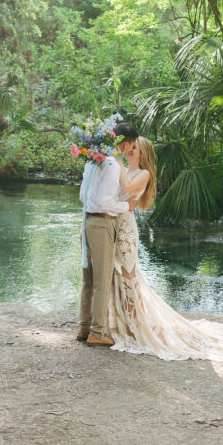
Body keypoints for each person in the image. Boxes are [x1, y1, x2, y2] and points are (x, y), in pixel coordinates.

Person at [109, 137, 223, 362]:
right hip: (115, 224)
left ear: (144, 155)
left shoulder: (143, 174)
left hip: (126, 228)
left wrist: (115, 162)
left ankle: (134, 327)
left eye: (135, 149)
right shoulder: (124, 169)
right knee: (119, 275)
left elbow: (126, 188)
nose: (130, 151)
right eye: (129, 147)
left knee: (129, 277)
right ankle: (123, 322)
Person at [78, 122, 138, 347]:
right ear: (121, 143)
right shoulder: (111, 164)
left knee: (88, 279)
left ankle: (84, 327)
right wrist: (127, 206)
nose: (129, 151)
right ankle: (98, 332)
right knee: (102, 280)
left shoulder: (92, 161)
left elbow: (83, 196)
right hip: (102, 224)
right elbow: (105, 203)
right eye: (129, 146)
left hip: (86, 221)